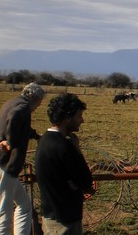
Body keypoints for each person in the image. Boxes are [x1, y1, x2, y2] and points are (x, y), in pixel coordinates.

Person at [0, 82, 45, 235]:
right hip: (5, 165)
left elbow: (22, 126)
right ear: (35, 98)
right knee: (3, 212)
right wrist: (10, 142)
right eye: (39, 102)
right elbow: (14, 118)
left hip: (1, 163)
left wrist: (36, 136)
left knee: (24, 205)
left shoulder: (13, 101)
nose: (38, 106)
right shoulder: (22, 107)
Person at [34, 93, 93, 233]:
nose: (82, 120)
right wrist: (77, 150)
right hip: (64, 219)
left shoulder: (45, 140)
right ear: (67, 117)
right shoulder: (63, 146)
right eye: (79, 115)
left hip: (51, 213)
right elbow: (85, 181)